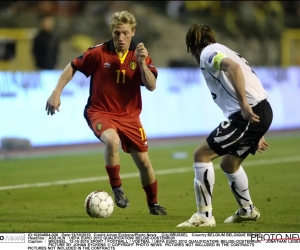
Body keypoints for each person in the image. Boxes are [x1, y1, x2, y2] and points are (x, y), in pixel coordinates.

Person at [45, 11, 167, 215]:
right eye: (116, 33)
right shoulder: (98, 53)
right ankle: (117, 188)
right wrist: (56, 91)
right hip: (100, 111)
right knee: (112, 141)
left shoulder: (140, 55)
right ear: (112, 32)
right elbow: (73, 66)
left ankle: (153, 204)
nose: (120, 38)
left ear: (133, 32)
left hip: (129, 116)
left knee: (145, 163)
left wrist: (143, 63)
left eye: (125, 33)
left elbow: (152, 86)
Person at [176, 24, 273, 227]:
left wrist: (246, 107)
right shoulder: (224, 50)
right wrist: (257, 126)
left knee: (201, 154)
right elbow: (249, 78)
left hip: (247, 113)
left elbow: (234, 68)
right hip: (258, 111)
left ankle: (204, 216)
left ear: (192, 44)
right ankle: (247, 210)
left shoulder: (207, 53)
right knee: (229, 164)